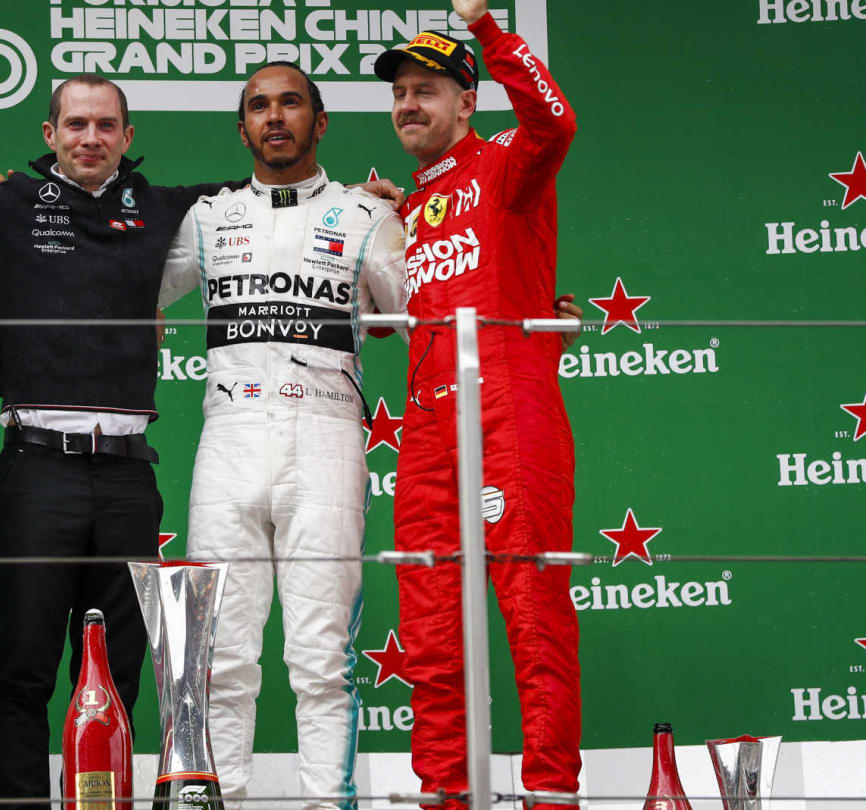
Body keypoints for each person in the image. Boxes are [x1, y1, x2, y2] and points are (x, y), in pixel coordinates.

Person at [0, 78, 235, 809]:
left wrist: (373, 199)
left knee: (116, 667)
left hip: (125, 476)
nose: (90, 138)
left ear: (128, 134)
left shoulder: (163, 206)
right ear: (48, 132)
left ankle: (102, 802)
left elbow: (269, 194)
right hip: (36, 467)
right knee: (21, 666)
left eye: (105, 125)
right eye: (75, 124)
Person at [156, 62, 406, 808]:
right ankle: (218, 797)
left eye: (291, 103)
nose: (275, 117)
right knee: (219, 657)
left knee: (321, 659)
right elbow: (122, 282)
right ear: (242, 129)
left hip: (326, 438)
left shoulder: (366, 215)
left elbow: (416, 312)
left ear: (319, 122)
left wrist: (409, 212)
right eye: (259, 106)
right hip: (228, 438)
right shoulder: (208, 217)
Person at [374, 0, 581, 806]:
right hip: (427, 430)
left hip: (509, 411)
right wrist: (386, 220)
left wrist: (489, 32)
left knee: (531, 612)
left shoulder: (507, 166)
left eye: (428, 90)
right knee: (428, 630)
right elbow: (390, 326)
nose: (409, 104)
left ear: (468, 101)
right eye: (400, 93)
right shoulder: (404, 213)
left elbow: (555, 123)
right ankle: (445, 796)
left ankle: (552, 794)